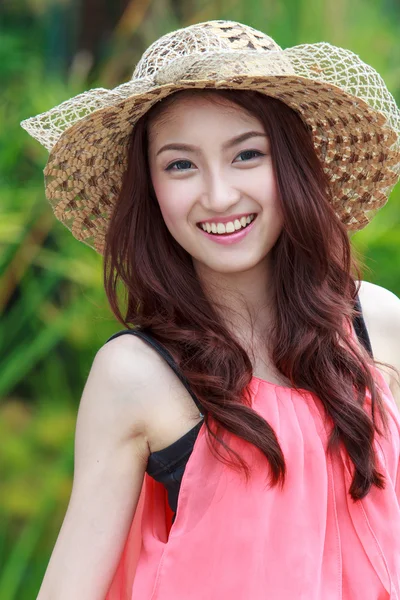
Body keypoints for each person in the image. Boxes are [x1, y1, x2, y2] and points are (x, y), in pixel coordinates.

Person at [21, 19, 400, 600]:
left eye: (247, 154)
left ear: (293, 166)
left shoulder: (377, 325)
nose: (219, 195)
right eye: (180, 164)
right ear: (150, 189)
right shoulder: (137, 374)